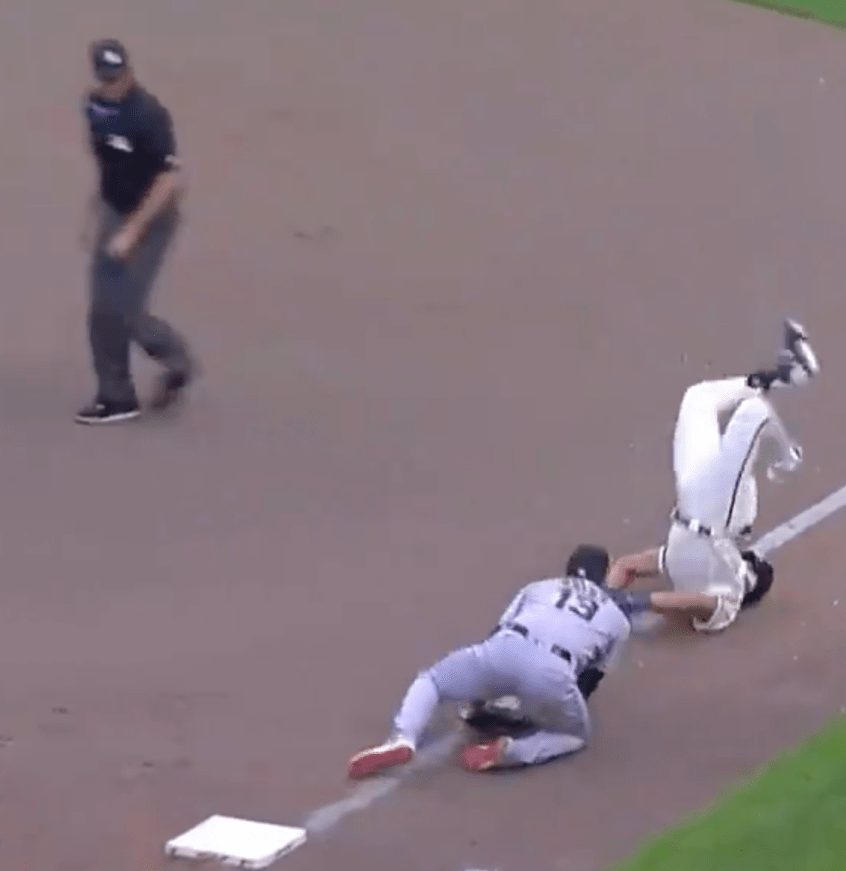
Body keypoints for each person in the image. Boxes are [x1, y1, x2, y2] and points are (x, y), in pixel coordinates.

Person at [347, 545, 685, 778]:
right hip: (552, 670)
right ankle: (511, 751)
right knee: (574, 735)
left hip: (508, 645)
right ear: (602, 576)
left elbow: (496, 633)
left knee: (432, 681)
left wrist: (482, 699)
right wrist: (543, 710)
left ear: (568, 569)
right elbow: (589, 681)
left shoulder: (539, 586)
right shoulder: (617, 618)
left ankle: (403, 738)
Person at [604, 318, 820, 632]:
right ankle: (788, 456)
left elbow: (627, 566)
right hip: (722, 517)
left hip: (692, 498)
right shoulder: (728, 592)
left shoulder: (680, 565)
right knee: (752, 414)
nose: (748, 563)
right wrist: (639, 603)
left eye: (752, 567)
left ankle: (788, 377)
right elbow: (700, 604)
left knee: (698, 399)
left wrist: (600, 600)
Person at [75, 38, 198, 425]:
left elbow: (169, 180)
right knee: (101, 311)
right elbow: (107, 164)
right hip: (115, 212)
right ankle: (116, 397)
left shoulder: (148, 114)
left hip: (154, 218)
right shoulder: (94, 106)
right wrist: (94, 212)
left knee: (127, 311)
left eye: (120, 76)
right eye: (107, 78)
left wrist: (132, 231)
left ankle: (178, 362)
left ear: (129, 71)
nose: (114, 84)